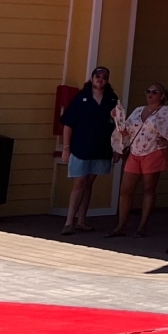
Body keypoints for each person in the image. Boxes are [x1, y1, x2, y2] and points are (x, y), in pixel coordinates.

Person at [110, 83, 168, 238]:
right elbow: (126, 131)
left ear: (162, 95)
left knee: (149, 189)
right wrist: (117, 121)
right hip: (135, 153)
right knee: (125, 189)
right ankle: (121, 225)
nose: (150, 94)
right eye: (148, 91)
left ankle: (142, 226)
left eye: (155, 92)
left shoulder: (167, 112)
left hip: (154, 152)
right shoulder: (138, 110)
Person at [59, 66, 119, 235]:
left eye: (104, 77)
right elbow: (68, 124)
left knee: (89, 183)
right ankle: (69, 222)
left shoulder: (112, 99)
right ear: (92, 78)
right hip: (80, 147)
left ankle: (81, 221)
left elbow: (118, 126)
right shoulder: (81, 98)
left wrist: (118, 148)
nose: (100, 79)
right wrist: (66, 148)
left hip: (101, 147)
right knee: (79, 183)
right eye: (97, 76)